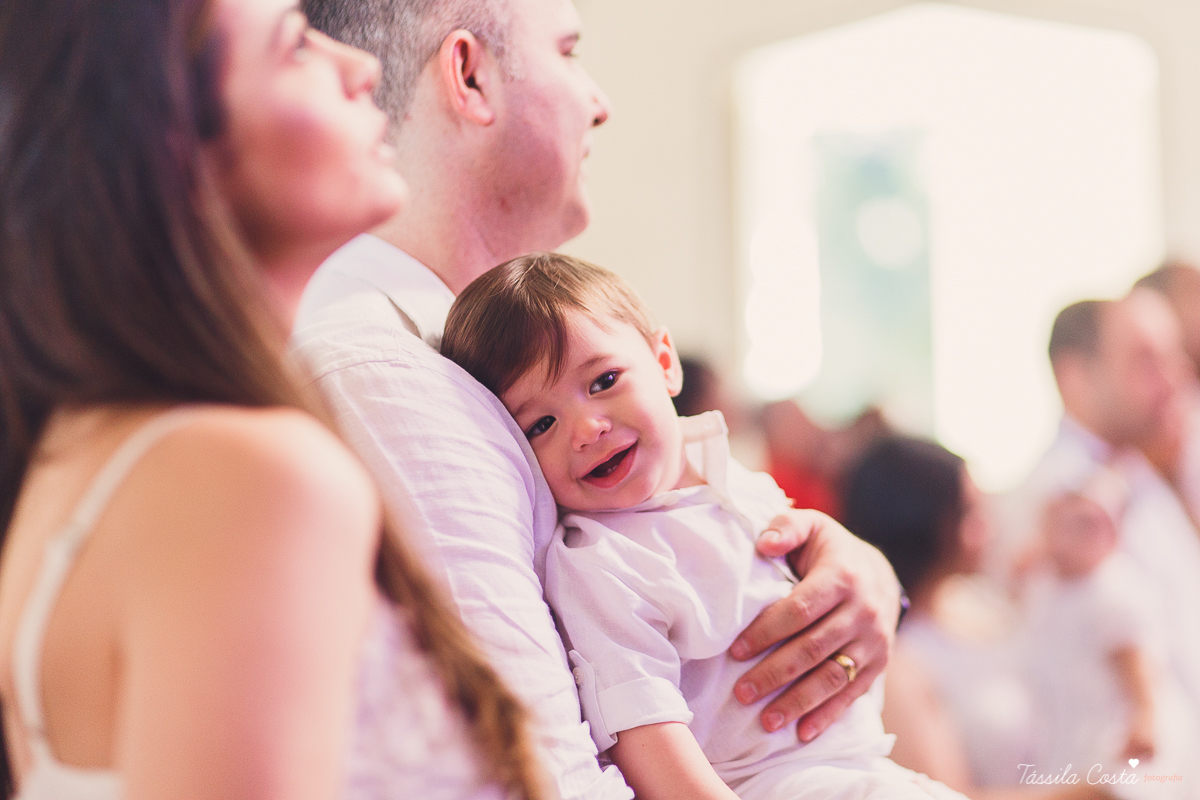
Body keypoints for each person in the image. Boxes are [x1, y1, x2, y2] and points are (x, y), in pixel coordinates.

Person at [292, 2, 904, 797]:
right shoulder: (388, 375)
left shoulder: (445, 349)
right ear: (469, 76)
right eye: (569, 51)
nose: (600, 101)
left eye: (606, 381)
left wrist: (847, 571)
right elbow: (537, 774)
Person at [0, 1, 543, 799]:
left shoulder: (84, 445)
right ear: (172, 143)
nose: (360, 70)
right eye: (294, 46)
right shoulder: (253, 475)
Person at [439, 253, 962, 800]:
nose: (587, 427)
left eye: (604, 381)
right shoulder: (599, 558)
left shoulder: (729, 479)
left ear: (664, 362)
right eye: (541, 423)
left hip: (863, 763)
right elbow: (645, 735)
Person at [844, 437, 1112, 800]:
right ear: (927, 525)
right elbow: (946, 794)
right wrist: (1090, 791)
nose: (990, 527)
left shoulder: (977, 606)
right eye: (970, 514)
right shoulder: (899, 662)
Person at [998, 294, 1200, 728]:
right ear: (1075, 376)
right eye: (1146, 361)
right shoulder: (1055, 503)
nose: (1175, 379)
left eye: (1174, 357)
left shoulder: (1141, 471)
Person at [1023, 473, 1198, 792]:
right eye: (1073, 523)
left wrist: (1145, 718)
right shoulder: (1047, 582)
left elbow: (1138, 664)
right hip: (1069, 723)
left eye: (1100, 525)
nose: (1085, 535)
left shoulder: (1114, 590)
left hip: (1112, 730)